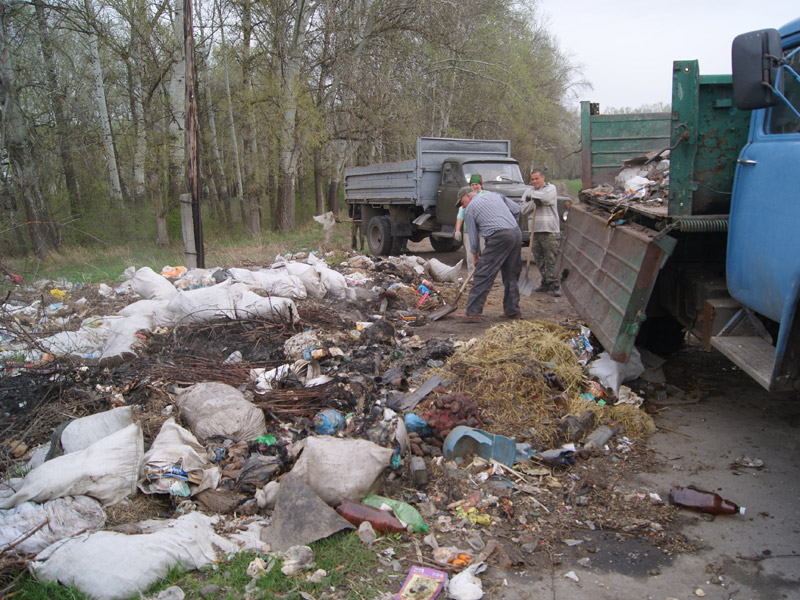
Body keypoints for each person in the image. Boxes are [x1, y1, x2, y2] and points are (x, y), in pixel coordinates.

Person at [458, 185, 523, 320]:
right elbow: (517, 210)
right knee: (511, 273)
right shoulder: (495, 195)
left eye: (461, 203)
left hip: (499, 236)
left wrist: (476, 257)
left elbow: (473, 238)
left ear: (468, 196)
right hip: (516, 233)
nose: (462, 207)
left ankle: (473, 312)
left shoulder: (470, 209)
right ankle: (513, 310)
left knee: (483, 273)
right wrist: (508, 223)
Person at [521, 169, 562, 297]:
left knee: (551, 258)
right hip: (535, 230)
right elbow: (523, 209)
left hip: (549, 229)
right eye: (532, 179)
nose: (534, 181)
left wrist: (533, 198)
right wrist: (533, 202)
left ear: (542, 178)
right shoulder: (527, 192)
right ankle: (545, 282)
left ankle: (555, 284)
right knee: (539, 258)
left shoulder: (551, 188)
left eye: (536, 178)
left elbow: (546, 198)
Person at [454, 173, 485, 270]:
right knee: (471, 254)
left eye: (476, 184)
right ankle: (472, 276)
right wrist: (457, 230)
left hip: (483, 229)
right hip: (468, 230)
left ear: (480, 184)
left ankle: (486, 275)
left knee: (485, 252)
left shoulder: (486, 195)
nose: (475, 186)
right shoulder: (466, 197)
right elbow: (460, 215)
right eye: (472, 185)